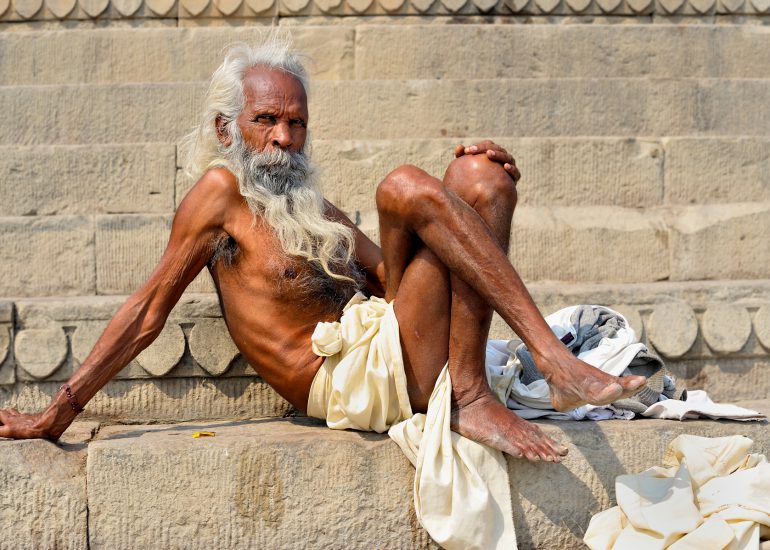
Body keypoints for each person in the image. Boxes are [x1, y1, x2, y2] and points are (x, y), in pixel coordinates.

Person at [0, 36, 646, 463]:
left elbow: (399, 282)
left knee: (481, 175)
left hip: (400, 347)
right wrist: (57, 413)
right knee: (401, 185)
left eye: (296, 122)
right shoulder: (220, 193)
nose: (284, 138)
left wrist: (468, 204)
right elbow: (146, 313)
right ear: (230, 127)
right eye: (266, 121)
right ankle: (544, 362)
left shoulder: (311, 204)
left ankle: (476, 390)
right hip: (345, 384)